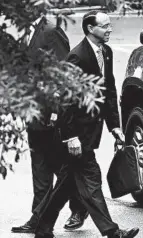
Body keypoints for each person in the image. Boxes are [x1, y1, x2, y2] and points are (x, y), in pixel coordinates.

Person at [33, 10, 139, 238]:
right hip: (76, 135)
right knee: (91, 180)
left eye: (110, 25)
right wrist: (70, 137)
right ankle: (112, 232)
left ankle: (42, 228)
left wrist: (115, 126)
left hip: (92, 132)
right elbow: (65, 100)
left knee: (66, 183)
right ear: (91, 29)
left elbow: (108, 91)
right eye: (105, 26)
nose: (110, 29)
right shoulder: (77, 57)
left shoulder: (106, 53)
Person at [11, 4, 89, 234]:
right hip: (34, 112)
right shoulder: (33, 30)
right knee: (42, 167)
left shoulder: (51, 30)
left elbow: (63, 74)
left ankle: (79, 205)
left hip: (49, 114)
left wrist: (57, 113)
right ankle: (39, 217)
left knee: (59, 166)